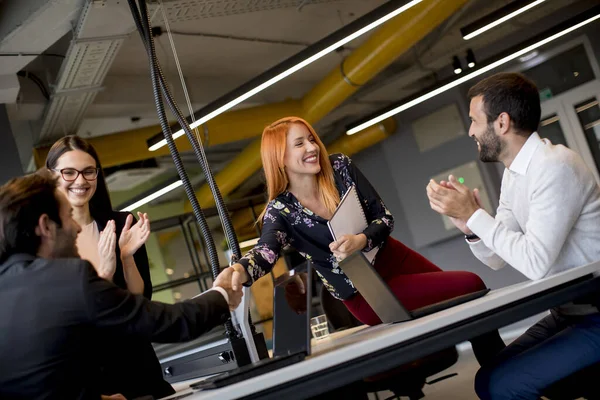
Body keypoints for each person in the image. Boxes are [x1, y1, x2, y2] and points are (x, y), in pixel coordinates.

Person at [215, 116, 505, 366]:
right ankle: (501, 372)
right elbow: (266, 252)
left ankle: (499, 370)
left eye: (311, 139)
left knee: (467, 303)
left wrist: (361, 239)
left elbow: (384, 218)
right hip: (365, 291)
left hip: (393, 257)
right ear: (280, 156)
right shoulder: (281, 210)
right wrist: (239, 271)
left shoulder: (340, 167)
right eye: (300, 144)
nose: (313, 147)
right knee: (470, 284)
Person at [426, 72, 600, 400]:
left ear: (502, 122)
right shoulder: (514, 175)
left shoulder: (555, 166)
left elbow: (535, 262)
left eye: (475, 121)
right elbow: (497, 257)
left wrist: (475, 215)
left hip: (595, 312)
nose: (471, 131)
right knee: (487, 378)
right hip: (570, 312)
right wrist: (471, 228)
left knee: (504, 386)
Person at [0, 172, 241, 399]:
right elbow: (171, 323)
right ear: (46, 226)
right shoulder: (69, 278)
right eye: (67, 217)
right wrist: (222, 294)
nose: (76, 227)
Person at [45, 136, 169, 398]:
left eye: (89, 171)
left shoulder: (122, 223)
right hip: (90, 372)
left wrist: (126, 258)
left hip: (135, 360)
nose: (81, 180)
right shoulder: (46, 241)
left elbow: (139, 300)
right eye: (69, 172)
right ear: (52, 176)